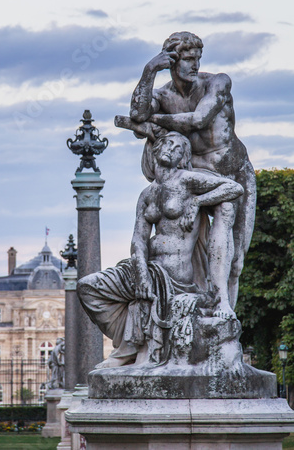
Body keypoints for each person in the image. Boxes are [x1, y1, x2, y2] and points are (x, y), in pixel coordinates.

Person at [78, 132, 243, 368]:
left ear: (183, 158)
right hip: (148, 268)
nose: (170, 148)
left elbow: (234, 188)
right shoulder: (147, 194)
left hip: (174, 275)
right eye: (167, 143)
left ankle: (132, 346)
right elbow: (138, 239)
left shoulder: (187, 180)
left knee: (226, 206)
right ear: (157, 150)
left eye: (178, 148)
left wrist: (198, 202)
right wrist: (141, 272)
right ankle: (129, 344)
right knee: (87, 287)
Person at [124, 31, 256, 316]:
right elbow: (137, 113)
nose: (194, 65)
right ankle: (212, 304)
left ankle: (224, 318)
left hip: (235, 173)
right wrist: (149, 71)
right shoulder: (163, 95)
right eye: (187, 59)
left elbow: (199, 119)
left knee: (236, 262)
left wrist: (153, 120)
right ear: (171, 61)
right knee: (193, 239)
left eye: (197, 58)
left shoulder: (217, 82)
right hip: (194, 175)